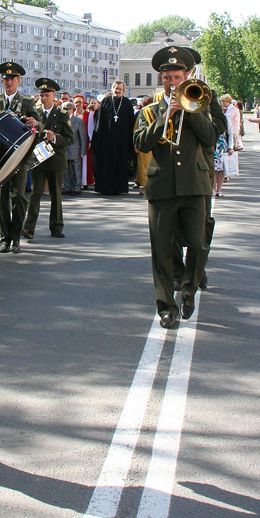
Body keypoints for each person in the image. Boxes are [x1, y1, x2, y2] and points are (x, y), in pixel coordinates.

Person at [133, 46, 218, 328]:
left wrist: (190, 112)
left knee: (197, 243)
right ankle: (166, 307)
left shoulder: (200, 106)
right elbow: (141, 143)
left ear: (187, 77)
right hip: (162, 189)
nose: (172, 83)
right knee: (162, 251)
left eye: (177, 77)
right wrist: (165, 116)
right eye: (167, 78)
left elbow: (211, 138)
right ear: (161, 80)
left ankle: (189, 290)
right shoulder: (149, 111)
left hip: (194, 186)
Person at [0, 61, 40, 253]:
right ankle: (5, 238)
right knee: (1, 199)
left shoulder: (26, 102)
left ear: (18, 81)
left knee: (18, 197)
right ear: (2, 81)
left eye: (12, 79)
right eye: (6, 79)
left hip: (21, 158)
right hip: (0, 158)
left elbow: (39, 126)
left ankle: (16, 236)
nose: (9, 82)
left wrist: (35, 123)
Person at [23, 78, 74, 242]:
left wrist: (55, 138)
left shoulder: (62, 114)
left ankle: (57, 226)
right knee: (35, 193)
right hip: (38, 159)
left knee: (55, 195)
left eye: (47, 95)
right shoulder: (34, 112)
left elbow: (70, 139)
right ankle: (28, 228)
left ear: (53, 96)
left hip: (55, 159)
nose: (44, 98)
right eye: (41, 95)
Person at [91, 80, 136, 195]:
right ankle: (105, 188)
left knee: (120, 164)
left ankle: (119, 188)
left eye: (120, 89)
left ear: (123, 90)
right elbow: (99, 122)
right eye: (116, 88)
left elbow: (131, 123)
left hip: (122, 140)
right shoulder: (106, 101)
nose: (118, 91)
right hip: (106, 140)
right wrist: (97, 140)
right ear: (112, 89)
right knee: (106, 164)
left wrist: (131, 141)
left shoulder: (127, 103)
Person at [62, 100, 89, 195]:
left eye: (68, 109)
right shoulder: (60, 120)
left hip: (75, 149)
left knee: (76, 170)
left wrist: (83, 151)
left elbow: (83, 137)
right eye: (64, 109)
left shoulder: (78, 121)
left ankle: (77, 188)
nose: (66, 111)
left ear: (72, 109)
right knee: (65, 170)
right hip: (63, 149)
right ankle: (67, 187)